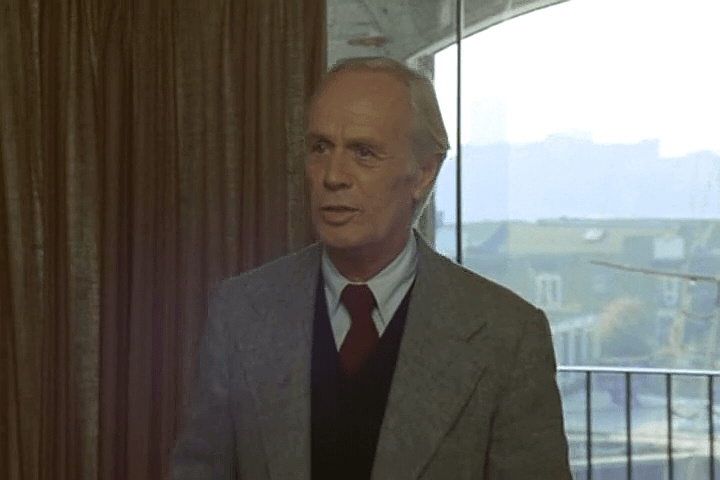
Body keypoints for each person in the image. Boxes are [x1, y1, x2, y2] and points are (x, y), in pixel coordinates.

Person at [169, 57, 573, 479]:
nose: (332, 176)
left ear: (423, 172)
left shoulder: (506, 336)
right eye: (320, 148)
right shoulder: (240, 313)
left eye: (363, 153)